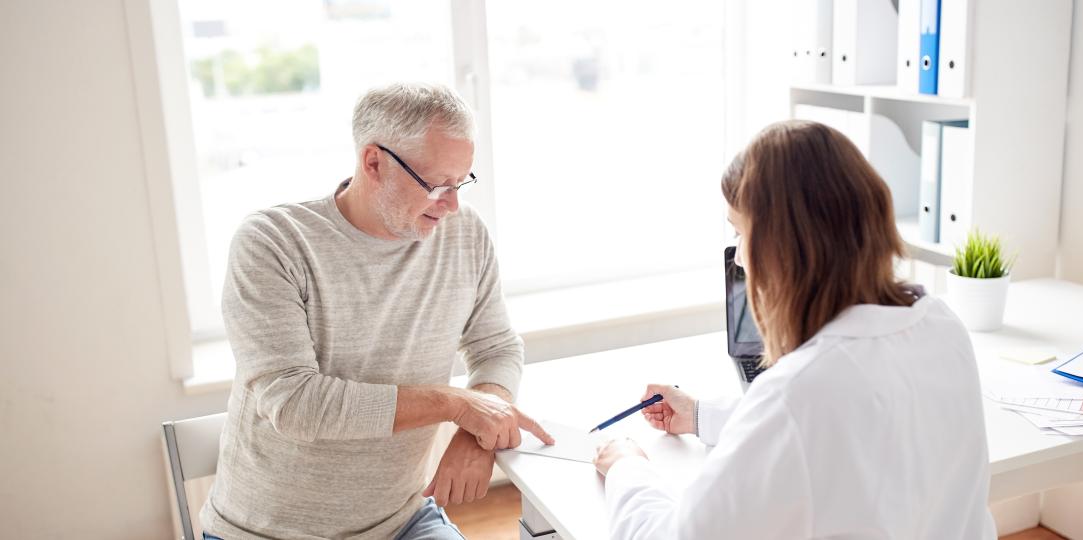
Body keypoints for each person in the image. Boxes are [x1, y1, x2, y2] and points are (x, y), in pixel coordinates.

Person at [593, 120, 996, 539]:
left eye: (740, 233)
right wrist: (699, 415)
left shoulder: (798, 391)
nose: (741, 260)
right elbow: (836, 432)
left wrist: (628, 466)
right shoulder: (942, 325)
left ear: (781, 249)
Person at [200, 83, 553, 540]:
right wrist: (458, 404)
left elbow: (497, 348)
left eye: (461, 181)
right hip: (264, 532)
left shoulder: (463, 233)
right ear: (374, 163)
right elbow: (295, 405)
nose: (452, 205)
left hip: (402, 521)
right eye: (437, 185)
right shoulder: (273, 242)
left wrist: (476, 432)